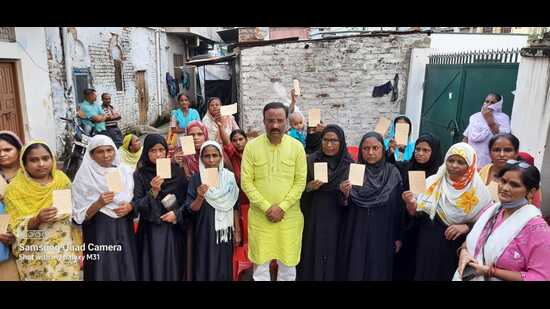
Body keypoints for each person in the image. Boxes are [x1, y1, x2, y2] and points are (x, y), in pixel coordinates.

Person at [402, 142, 492, 281]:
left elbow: (488, 223)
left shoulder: (480, 193)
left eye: (460, 162)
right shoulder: (432, 182)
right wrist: (411, 204)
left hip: (456, 247)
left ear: (470, 165)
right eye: (451, 160)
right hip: (428, 243)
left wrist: (466, 227)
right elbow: (415, 213)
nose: (454, 165)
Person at [241, 102, 307, 281]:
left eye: (279, 120)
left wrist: (282, 207)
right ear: (264, 121)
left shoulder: (297, 147)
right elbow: (246, 182)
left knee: (288, 266)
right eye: (270, 121)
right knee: (260, 267)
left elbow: (300, 182)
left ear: (287, 121)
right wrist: (267, 208)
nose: (275, 125)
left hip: (289, 219)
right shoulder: (252, 147)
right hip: (261, 218)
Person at [455, 161, 550, 281]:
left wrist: (491, 271)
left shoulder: (536, 228)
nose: (505, 188)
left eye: (514, 185)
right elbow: (473, 242)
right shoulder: (491, 211)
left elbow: (541, 277)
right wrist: (464, 252)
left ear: (531, 192)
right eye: (503, 181)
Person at [4, 141, 81, 280]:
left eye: (45, 158)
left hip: (63, 247)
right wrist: (36, 219)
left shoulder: (61, 179)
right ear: (24, 163)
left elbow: (72, 211)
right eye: (34, 160)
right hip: (34, 251)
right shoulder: (14, 188)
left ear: (52, 159)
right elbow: (12, 225)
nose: (41, 164)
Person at [337, 132, 404, 281]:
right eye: (366, 148)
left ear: (382, 149)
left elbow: (399, 209)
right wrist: (344, 194)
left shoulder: (392, 173)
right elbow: (343, 206)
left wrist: (398, 236)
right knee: (355, 268)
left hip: (382, 232)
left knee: (377, 269)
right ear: (361, 150)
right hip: (356, 230)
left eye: (375, 148)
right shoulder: (354, 170)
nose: (371, 152)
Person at [72, 135, 138, 281]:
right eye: (100, 152)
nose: (106, 155)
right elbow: (80, 216)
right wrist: (99, 204)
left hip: (123, 227)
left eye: (109, 150)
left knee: (125, 264)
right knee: (102, 268)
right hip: (99, 231)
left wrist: (129, 206)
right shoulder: (84, 177)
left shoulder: (125, 172)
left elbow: (137, 199)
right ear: (91, 155)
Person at [297, 125, 353, 281]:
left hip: (338, 215)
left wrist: (345, 192)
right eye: (325, 140)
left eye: (334, 141)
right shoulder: (312, 160)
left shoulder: (349, 163)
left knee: (335, 251)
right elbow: (299, 189)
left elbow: (356, 196)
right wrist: (310, 187)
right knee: (314, 250)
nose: (329, 145)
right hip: (315, 214)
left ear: (341, 142)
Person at [132, 134, 189, 281]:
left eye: (161, 150)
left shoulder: (176, 171)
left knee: (173, 267)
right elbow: (137, 204)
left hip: (173, 229)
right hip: (151, 230)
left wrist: (177, 214)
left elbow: (186, 200)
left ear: (166, 151)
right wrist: (154, 191)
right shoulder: (140, 174)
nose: (158, 154)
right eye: (153, 151)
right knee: (153, 267)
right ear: (146, 152)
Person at [390, 132, 444, 281]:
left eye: (425, 150)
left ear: (434, 152)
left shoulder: (440, 175)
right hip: (405, 223)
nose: (420, 153)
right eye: (417, 149)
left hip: (427, 227)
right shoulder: (407, 167)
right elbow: (391, 165)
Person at [185, 141, 241, 281]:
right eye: (207, 156)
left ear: (221, 157)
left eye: (215, 156)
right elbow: (191, 208)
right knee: (205, 263)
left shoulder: (229, 177)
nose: (211, 160)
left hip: (224, 232)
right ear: (201, 158)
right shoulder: (197, 178)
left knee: (223, 265)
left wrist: (237, 231)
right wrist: (200, 196)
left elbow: (234, 206)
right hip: (205, 229)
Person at [463, 92, 511, 168]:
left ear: (498, 104)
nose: (488, 104)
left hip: (489, 160)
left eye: (492, 102)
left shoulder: (503, 118)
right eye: (487, 101)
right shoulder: (475, 117)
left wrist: (490, 121)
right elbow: (466, 137)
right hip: (471, 158)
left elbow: (503, 138)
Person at [0, 131, 22, 281]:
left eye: (7, 150)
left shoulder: (32, 173)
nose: (2, 154)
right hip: (3, 244)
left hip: (31, 239)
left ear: (19, 150)